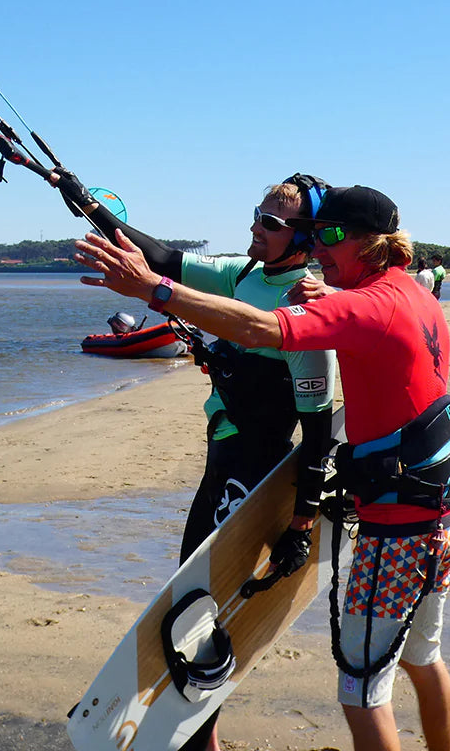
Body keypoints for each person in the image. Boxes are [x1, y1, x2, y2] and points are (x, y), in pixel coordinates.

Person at [73, 184, 450, 751]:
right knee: (424, 659)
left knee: (362, 690)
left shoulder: (365, 306)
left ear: (372, 243)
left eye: (329, 236)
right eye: (313, 235)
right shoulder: (414, 291)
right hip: (443, 517)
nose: (318, 248)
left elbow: (259, 329)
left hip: (397, 532)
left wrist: (154, 290)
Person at [54, 169, 336, 751]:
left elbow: (318, 431)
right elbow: (159, 255)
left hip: (254, 470)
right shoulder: (243, 273)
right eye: (256, 214)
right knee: (188, 589)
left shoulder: (306, 304)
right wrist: (85, 202)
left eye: (271, 222)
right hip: (220, 461)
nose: (255, 226)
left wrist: (301, 524)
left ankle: (201, 737)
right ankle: (197, 736)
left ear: (306, 240)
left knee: (206, 606)